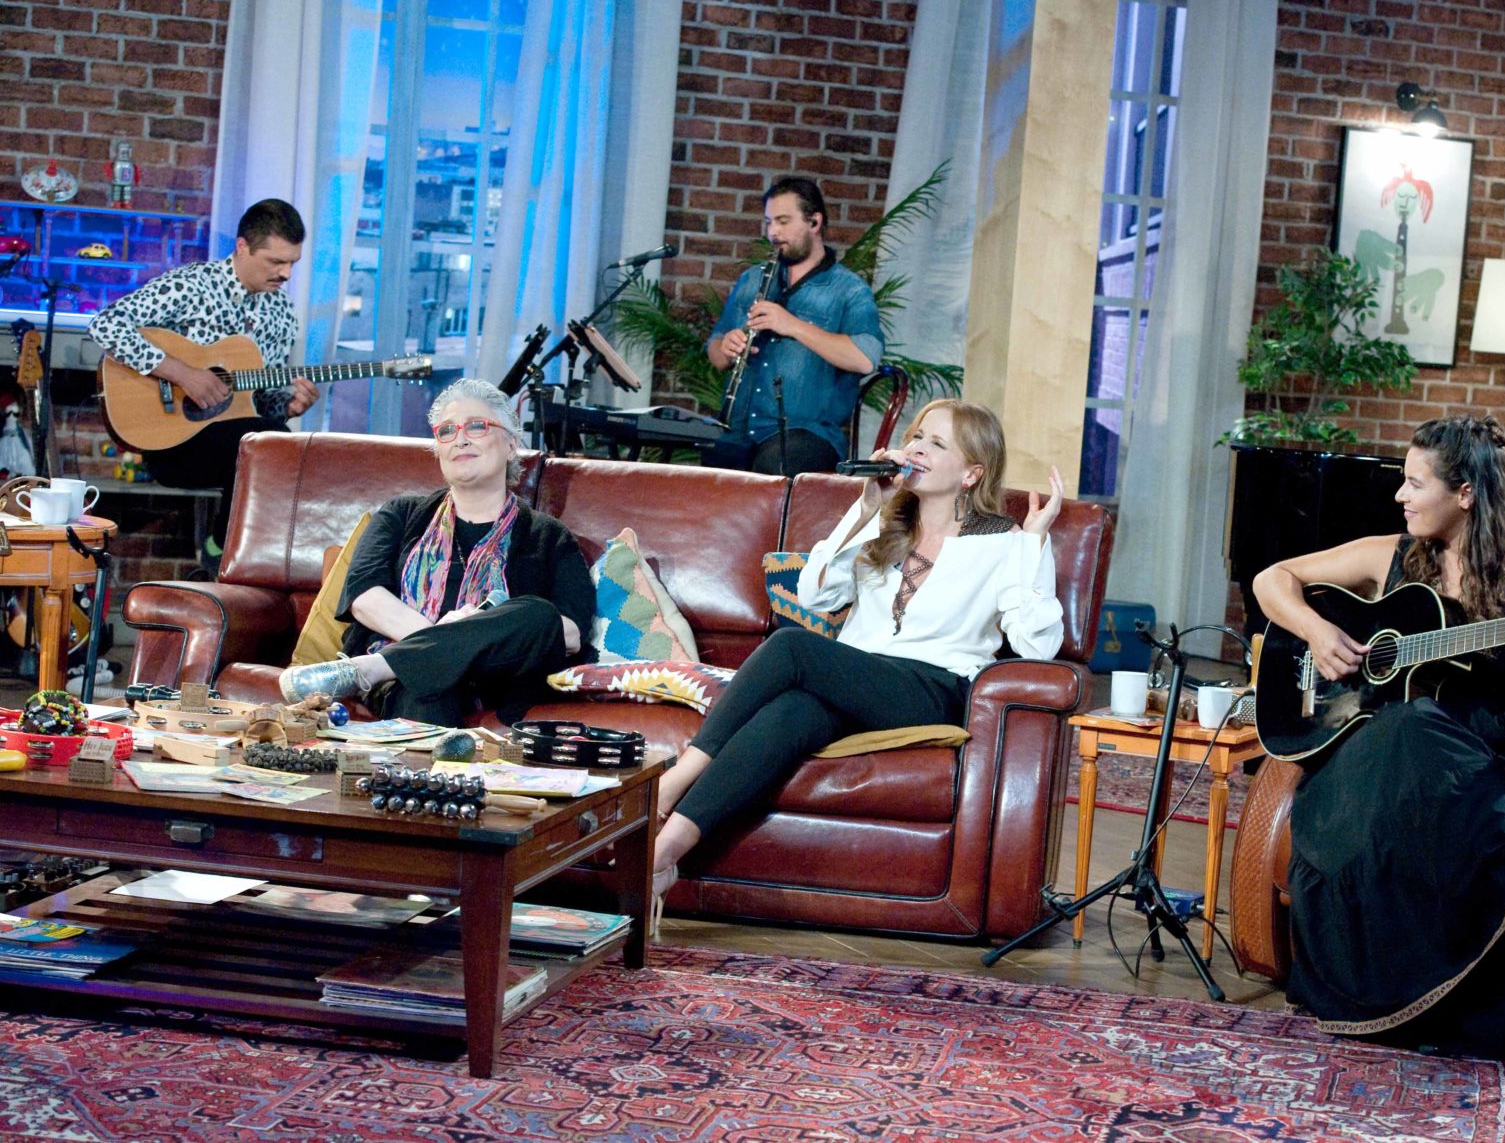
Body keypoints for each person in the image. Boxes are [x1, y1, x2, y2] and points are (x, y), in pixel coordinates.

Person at [1251, 415, 1505, 1055]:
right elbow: (1270, 579)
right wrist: (1317, 631)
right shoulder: (1388, 556)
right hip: (1384, 753)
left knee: (1414, 725)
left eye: (1415, 483)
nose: (1400, 495)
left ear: (1465, 494)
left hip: (1482, 756)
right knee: (1400, 729)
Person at [650, 398, 1065, 929]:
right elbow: (814, 594)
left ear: (971, 473)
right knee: (791, 713)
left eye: (936, 444)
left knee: (791, 647)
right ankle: (665, 854)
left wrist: (1033, 542)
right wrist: (866, 508)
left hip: (932, 688)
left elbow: (1037, 646)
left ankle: (674, 781)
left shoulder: (1007, 543)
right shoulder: (887, 525)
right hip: (856, 678)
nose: (916, 449)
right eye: (917, 437)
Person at [276, 379, 593, 727]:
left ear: (511, 444)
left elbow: (570, 634)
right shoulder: (402, 514)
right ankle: (406, 676)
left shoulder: (548, 535)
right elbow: (364, 596)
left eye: (476, 426)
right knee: (427, 691)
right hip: (409, 685)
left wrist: (464, 636)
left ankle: (370, 669)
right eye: (447, 431)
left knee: (538, 613)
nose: (460, 439)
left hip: (498, 679)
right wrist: (445, 639)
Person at [88, 199, 321, 575]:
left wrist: (289, 406)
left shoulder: (282, 313)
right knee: (270, 442)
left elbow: (257, 406)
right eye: (276, 262)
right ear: (242, 247)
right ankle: (223, 553)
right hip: (171, 441)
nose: (286, 273)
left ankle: (233, 556)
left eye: (292, 263)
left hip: (231, 443)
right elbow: (106, 324)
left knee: (276, 441)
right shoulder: (192, 285)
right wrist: (182, 373)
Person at [704, 177, 884, 475]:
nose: (773, 232)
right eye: (769, 222)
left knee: (775, 466)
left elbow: (866, 358)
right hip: (738, 429)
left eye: (783, 222)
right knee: (706, 473)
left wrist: (792, 325)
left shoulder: (849, 289)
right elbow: (715, 351)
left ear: (814, 222)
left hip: (807, 434)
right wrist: (725, 346)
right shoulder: (752, 279)